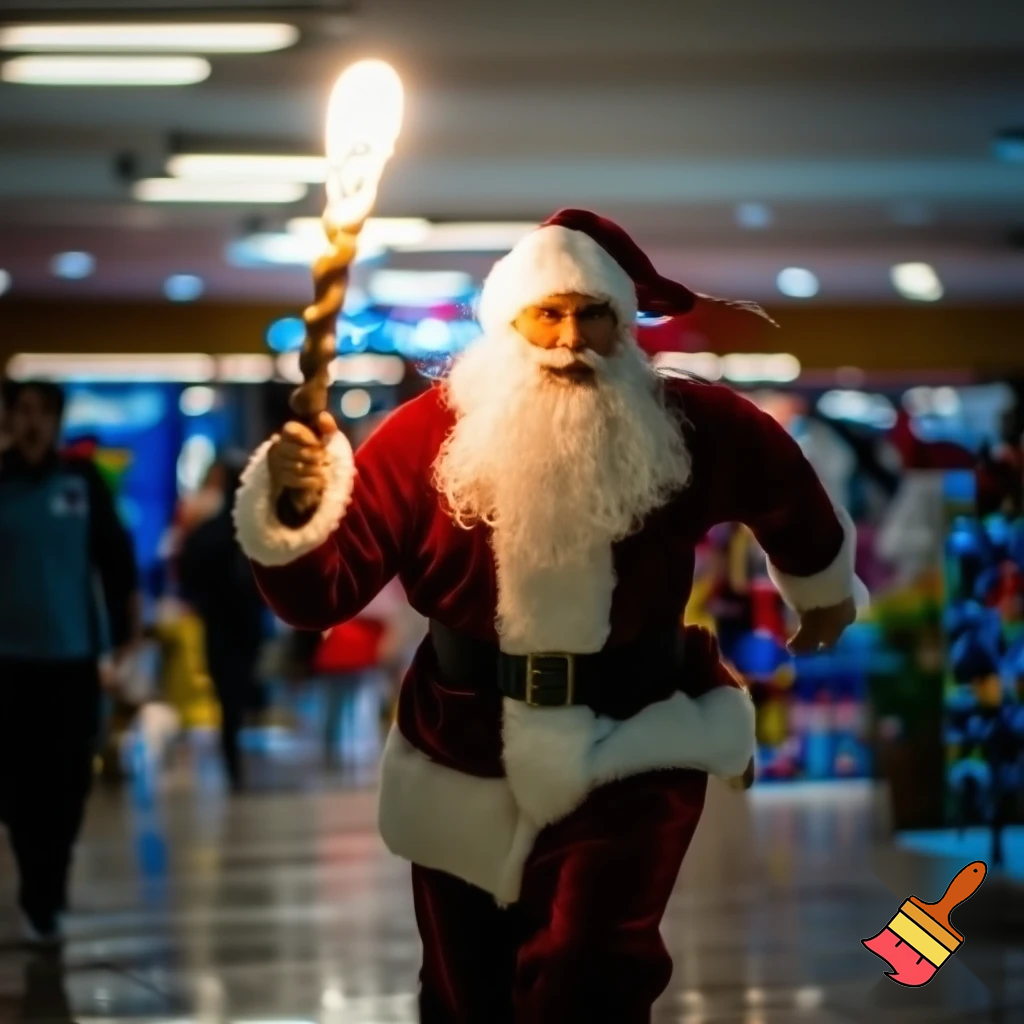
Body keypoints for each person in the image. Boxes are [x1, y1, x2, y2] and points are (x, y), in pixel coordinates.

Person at [233, 209, 864, 1022]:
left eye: (592, 314)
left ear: (624, 323)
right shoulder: (426, 437)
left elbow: (781, 482)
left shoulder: (685, 423)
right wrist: (293, 509)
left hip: (634, 739)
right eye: (548, 314)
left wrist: (823, 587)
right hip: (462, 745)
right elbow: (323, 592)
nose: (569, 338)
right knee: (466, 990)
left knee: (589, 971)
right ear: (509, 322)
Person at [0, 379, 140, 944]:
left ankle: (49, 887)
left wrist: (125, 641)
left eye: (43, 412)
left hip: (72, 662)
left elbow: (117, 562)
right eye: (23, 411)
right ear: (8, 419)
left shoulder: (81, 481)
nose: (33, 422)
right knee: (14, 786)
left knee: (67, 784)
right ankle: (36, 888)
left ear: (57, 420)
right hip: (7, 665)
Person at [178, 454, 266, 792]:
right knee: (238, 691)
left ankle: (234, 760)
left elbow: (188, 574)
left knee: (227, 694)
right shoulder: (253, 529)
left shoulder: (206, 530)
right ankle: (237, 759)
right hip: (245, 622)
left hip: (218, 623)